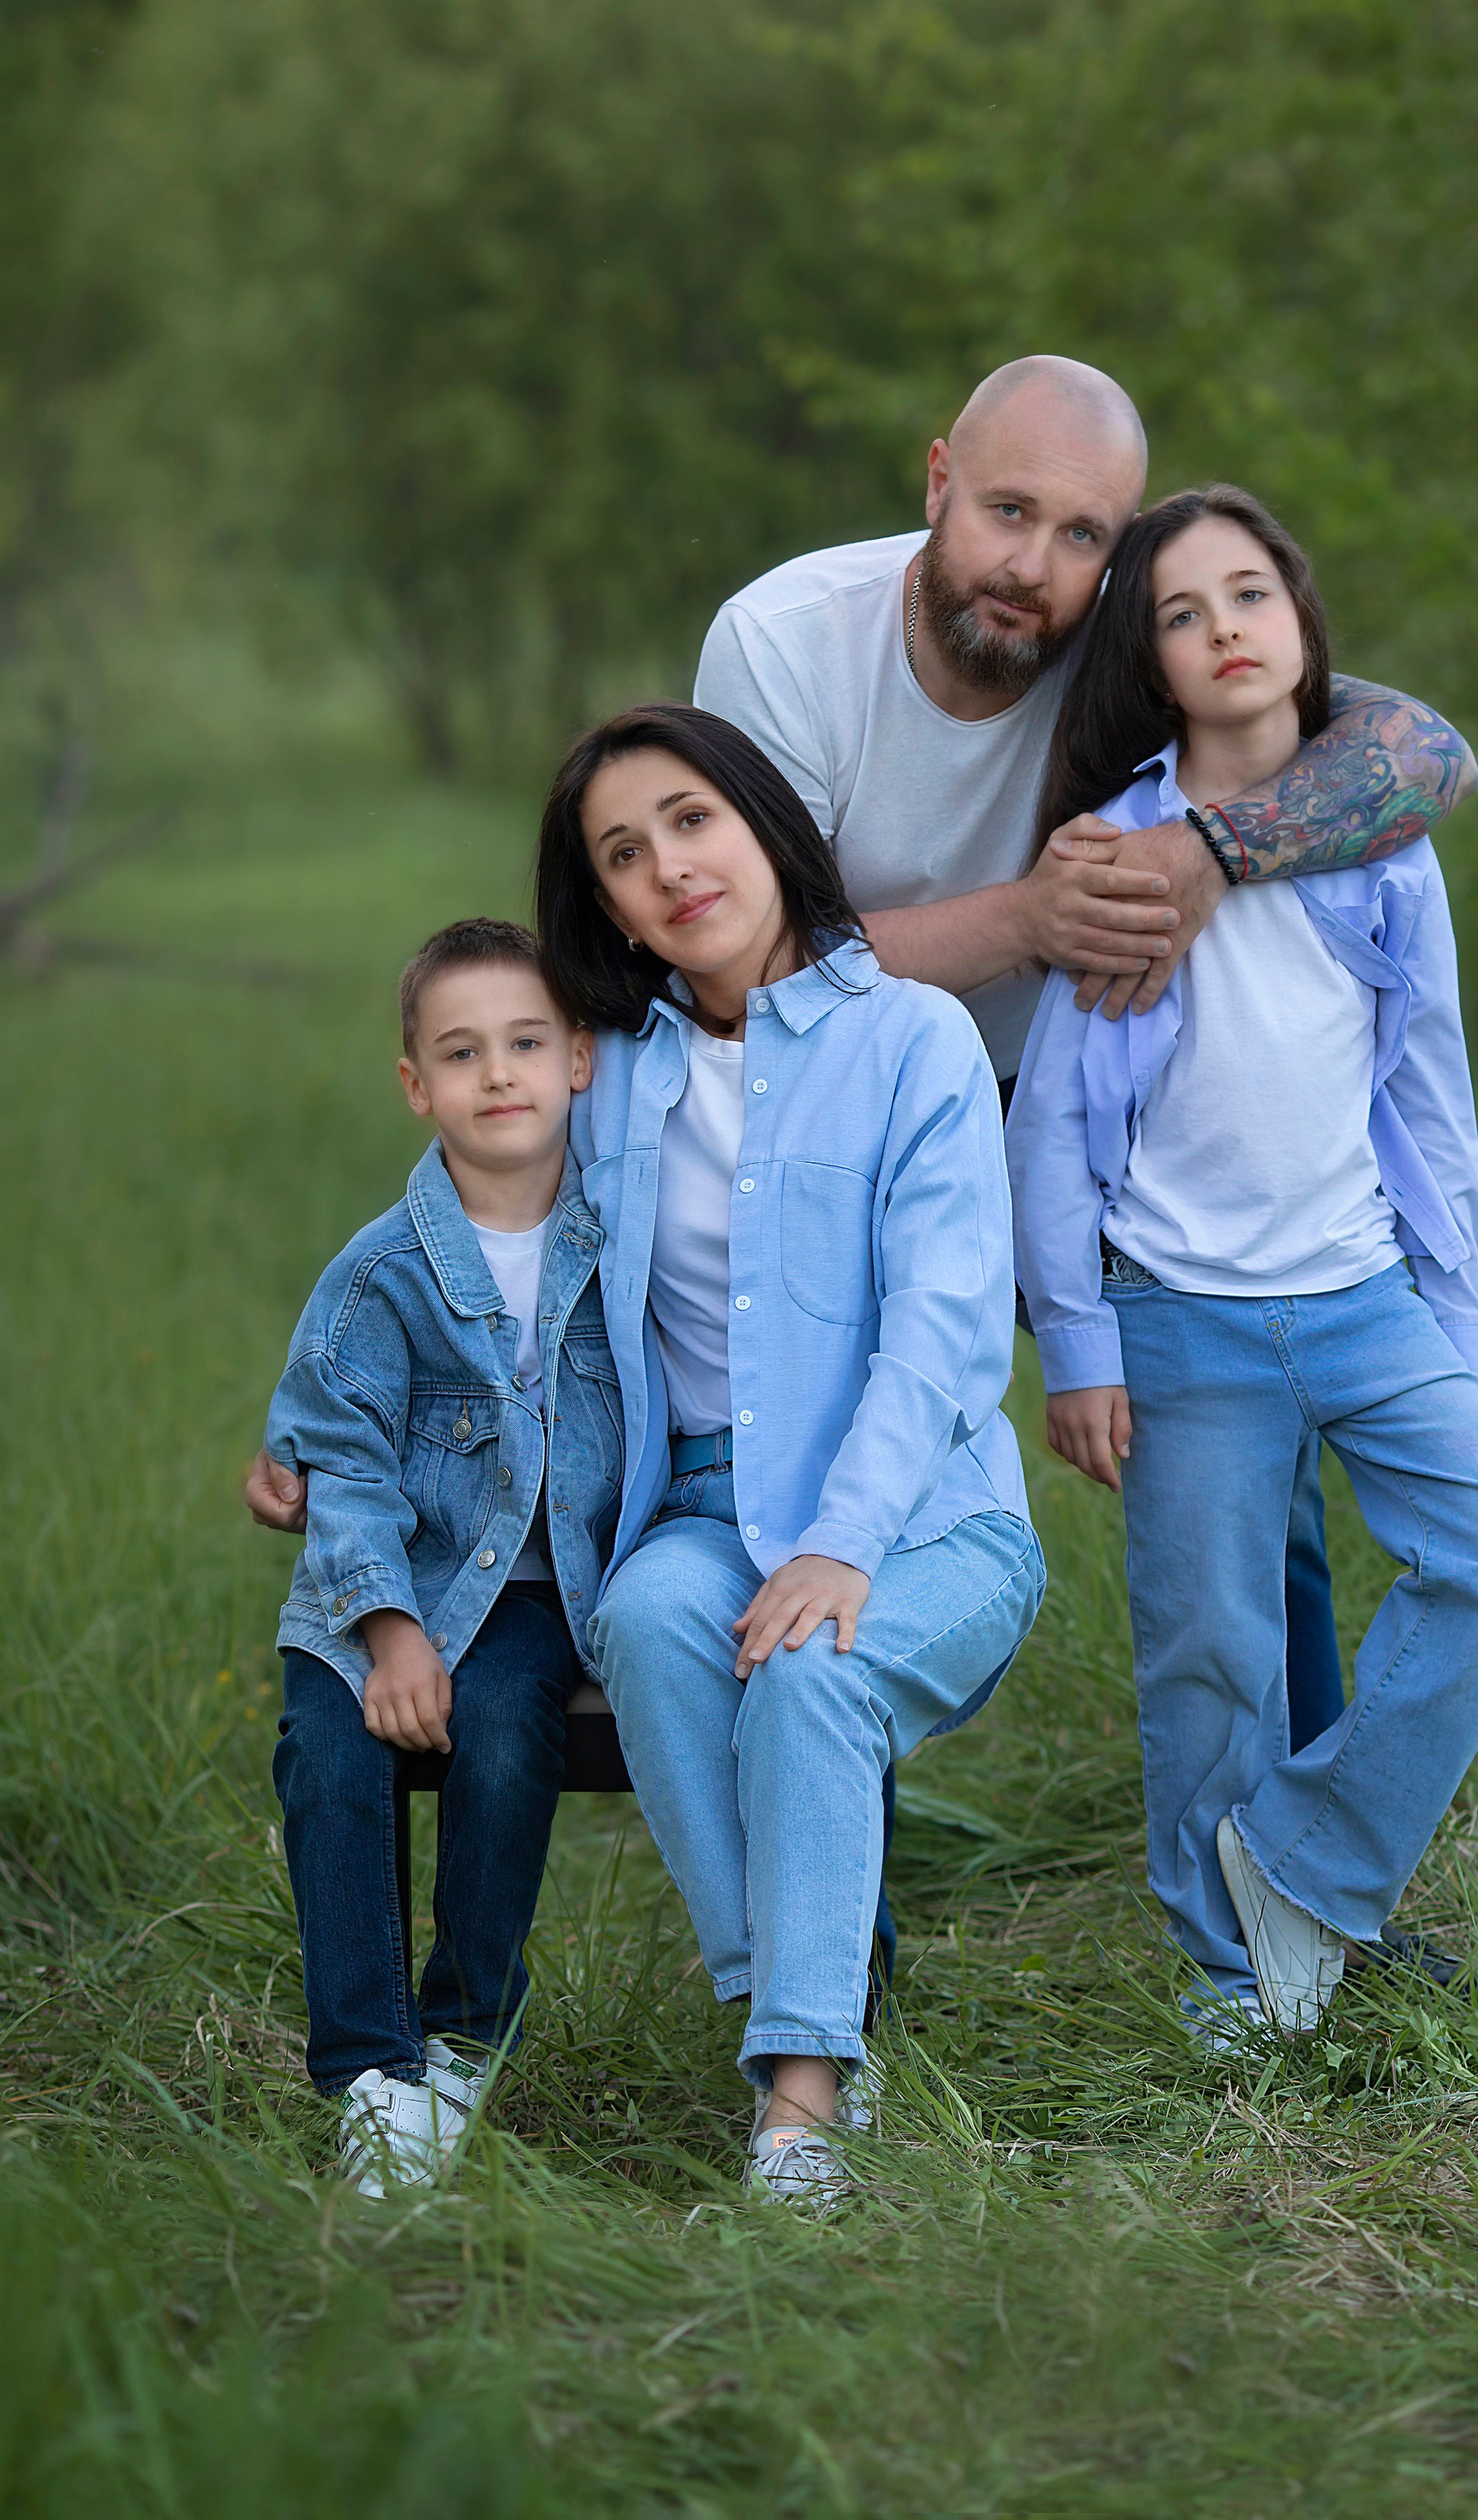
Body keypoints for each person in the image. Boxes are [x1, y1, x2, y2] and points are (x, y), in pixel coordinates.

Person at [695, 353, 1478, 1799]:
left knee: (1257, 1476)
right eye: (1006, 511)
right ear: (937, 481)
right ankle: (825, 1876)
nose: (1034, 570)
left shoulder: (1126, 639)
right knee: (823, 1449)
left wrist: (1212, 846)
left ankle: (1285, 1880)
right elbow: (744, 969)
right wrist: (1026, 920)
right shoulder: (786, 644)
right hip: (842, 1111)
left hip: (1096, 1106)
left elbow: (1419, 752)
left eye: (1084, 539)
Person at [1006, 487, 1478, 2041]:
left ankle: (1301, 1862)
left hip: (1364, 1292)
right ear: (1153, 660)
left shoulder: (1371, 836)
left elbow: (1424, 1086)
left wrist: (1454, 1311)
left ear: (1299, 619)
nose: (1221, 630)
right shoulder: (1112, 849)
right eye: (1180, 615)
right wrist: (1077, 1346)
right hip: (1177, 1317)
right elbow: (1049, 1121)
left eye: (1246, 594)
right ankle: (1225, 1974)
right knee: (1210, 1652)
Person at [538, 702, 1044, 2209]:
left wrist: (839, 1544)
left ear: (760, 820)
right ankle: (808, 2029)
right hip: (695, 1504)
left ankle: (799, 2117)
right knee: (645, 1616)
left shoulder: (910, 1038)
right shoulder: (609, 1071)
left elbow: (950, 1330)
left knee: (812, 1667)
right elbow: (476, 1232)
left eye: (690, 819)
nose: (669, 868)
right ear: (605, 904)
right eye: (622, 855)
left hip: (924, 1516)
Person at [263, 919, 620, 2191]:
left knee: (511, 1739)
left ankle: (465, 2036)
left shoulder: (619, 1241)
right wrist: (391, 1631)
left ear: (580, 1057)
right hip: (374, 1595)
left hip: (535, 1597)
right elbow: (338, 1455)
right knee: (333, 1757)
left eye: (527, 1042)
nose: (500, 1074)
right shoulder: (380, 1275)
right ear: (418, 1085)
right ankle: (370, 2070)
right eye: (462, 1054)